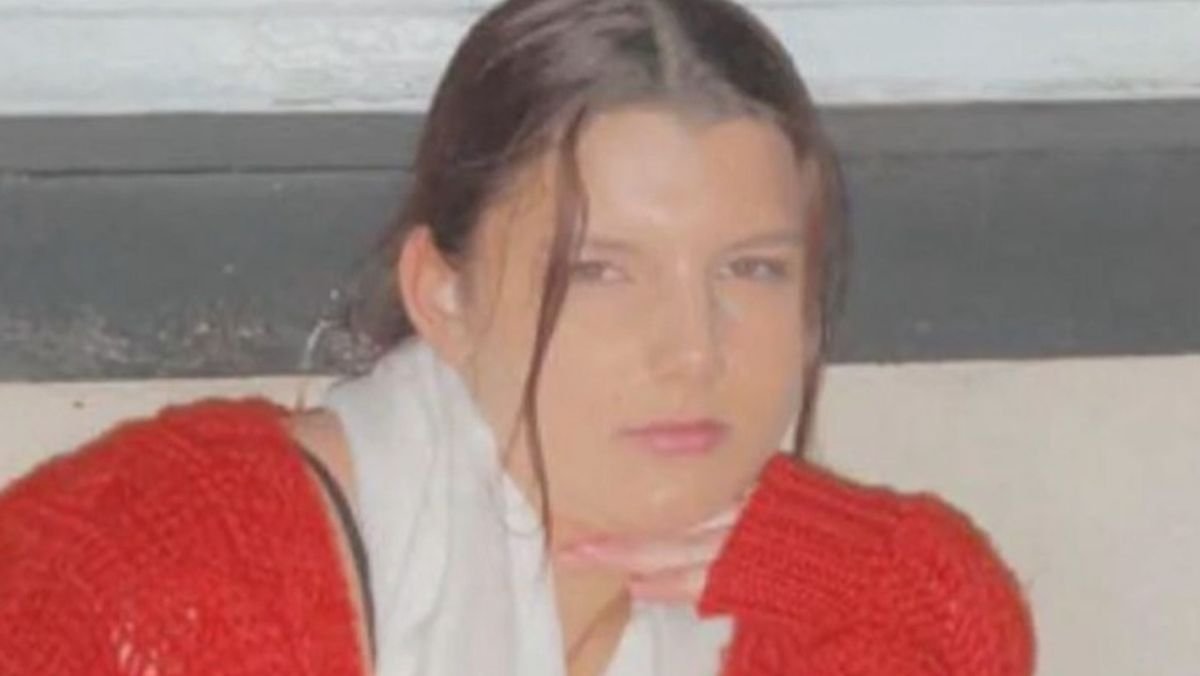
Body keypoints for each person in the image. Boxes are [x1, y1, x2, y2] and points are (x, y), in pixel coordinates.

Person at [0, 0, 1035, 674]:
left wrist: (883, 577)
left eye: (751, 269)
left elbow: (966, 637)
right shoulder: (162, 573)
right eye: (597, 271)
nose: (693, 350)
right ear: (441, 295)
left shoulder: (839, 602)